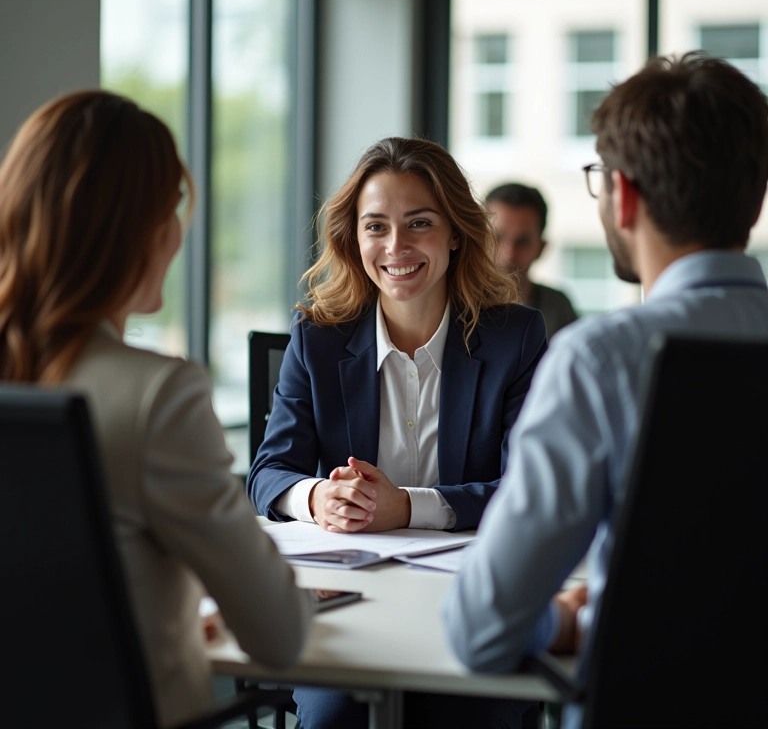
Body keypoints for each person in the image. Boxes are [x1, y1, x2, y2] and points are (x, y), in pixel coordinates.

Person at [443, 52, 768, 729]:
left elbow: (480, 629)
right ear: (755, 196)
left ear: (622, 195)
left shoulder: (601, 359)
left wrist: (574, 623)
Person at [0, 90, 313, 728]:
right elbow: (279, 636)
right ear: (133, 231)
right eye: (170, 210)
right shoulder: (158, 396)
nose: (177, 233)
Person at [247, 136, 548, 728]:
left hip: (470, 605)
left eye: (418, 224)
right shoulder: (317, 336)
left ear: (456, 232)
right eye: (376, 226)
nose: (395, 247)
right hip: (346, 608)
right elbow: (267, 474)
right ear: (353, 238)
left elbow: (524, 492)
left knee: (465, 716)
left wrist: (404, 508)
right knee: (335, 718)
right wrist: (316, 497)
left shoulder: (517, 337)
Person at [486, 182, 578, 339]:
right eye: (497, 238)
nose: (509, 253)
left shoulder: (558, 307)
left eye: (523, 241)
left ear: (541, 248)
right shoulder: (452, 304)